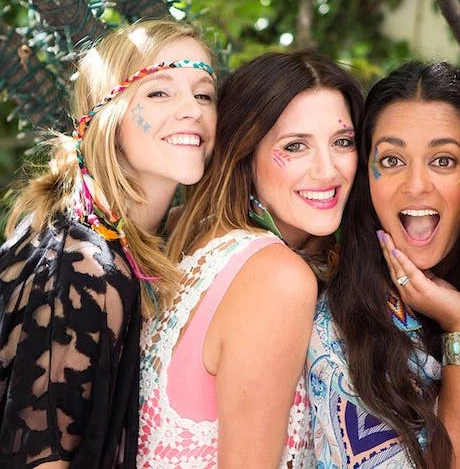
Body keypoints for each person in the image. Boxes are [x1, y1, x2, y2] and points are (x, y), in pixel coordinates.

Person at [0, 19, 217, 468]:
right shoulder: (81, 262)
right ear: (108, 116)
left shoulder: (126, 245)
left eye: (203, 93)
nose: (192, 109)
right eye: (159, 91)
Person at [138, 50, 363, 467]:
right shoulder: (276, 278)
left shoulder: (192, 234)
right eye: (295, 146)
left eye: (342, 142)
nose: (328, 170)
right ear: (245, 154)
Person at [306, 61, 460, 467]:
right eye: (392, 160)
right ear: (367, 176)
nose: (416, 184)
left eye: (443, 161)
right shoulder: (338, 336)